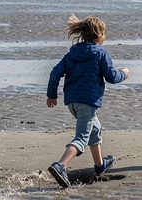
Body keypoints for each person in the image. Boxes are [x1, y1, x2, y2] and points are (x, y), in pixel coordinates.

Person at [46, 14, 129, 189]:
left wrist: (51, 94)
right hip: (88, 101)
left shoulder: (71, 54)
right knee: (81, 138)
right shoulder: (100, 53)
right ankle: (61, 165)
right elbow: (111, 77)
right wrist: (124, 73)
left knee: (94, 129)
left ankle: (100, 165)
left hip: (72, 102)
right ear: (100, 36)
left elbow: (55, 73)